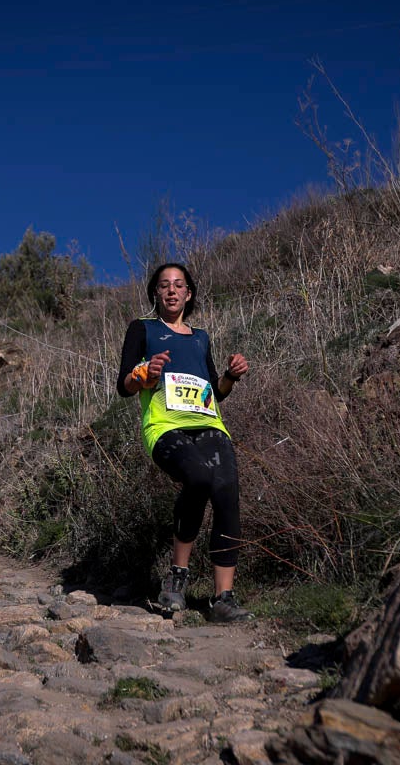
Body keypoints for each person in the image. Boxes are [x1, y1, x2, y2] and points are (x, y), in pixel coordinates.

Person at [116, 262, 254, 623]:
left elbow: (216, 392)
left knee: (226, 493)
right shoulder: (142, 329)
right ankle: (177, 578)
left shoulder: (201, 338)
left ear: (189, 293)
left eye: (179, 285)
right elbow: (124, 386)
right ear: (156, 293)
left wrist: (230, 375)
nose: (172, 290)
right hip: (165, 427)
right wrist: (144, 373)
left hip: (210, 426)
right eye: (164, 285)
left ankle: (223, 599)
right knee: (198, 478)